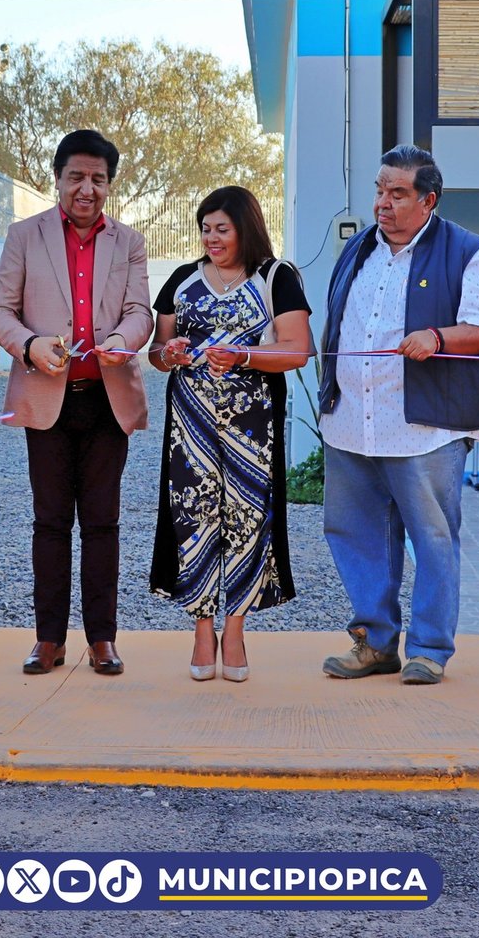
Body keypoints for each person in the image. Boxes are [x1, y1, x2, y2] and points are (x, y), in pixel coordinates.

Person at [318, 144, 479, 686]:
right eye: (380, 190)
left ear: (429, 200)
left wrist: (438, 337)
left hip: (424, 430)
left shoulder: (469, 252)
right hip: (352, 423)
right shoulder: (358, 249)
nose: (383, 202)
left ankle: (429, 649)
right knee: (356, 535)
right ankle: (375, 643)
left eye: (398, 193)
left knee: (434, 539)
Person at [0, 129, 152, 676]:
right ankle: (48, 639)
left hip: (107, 399)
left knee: (103, 522)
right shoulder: (24, 235)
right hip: (46, 399)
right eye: (76, 177)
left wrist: (123, 340)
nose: (87, 189)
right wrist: (29, 345)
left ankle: (102, 638)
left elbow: (140, 312)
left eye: (98, 179)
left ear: (109, 184)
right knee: (51, 522)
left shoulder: (128, 242)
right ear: (57, 179)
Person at [147, 186, 312, 682]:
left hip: (253, 424)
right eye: (205, 228)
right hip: (190, 421)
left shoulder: (276, 277)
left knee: (248, 517)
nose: (211, 238)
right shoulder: (182, 279)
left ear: (246, 227)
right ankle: (202, 631)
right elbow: (157, 352)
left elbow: (297, 350)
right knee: (192, 515)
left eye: (222, 228)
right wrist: (169, 354)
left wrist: (243, 355)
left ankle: (235, 630)